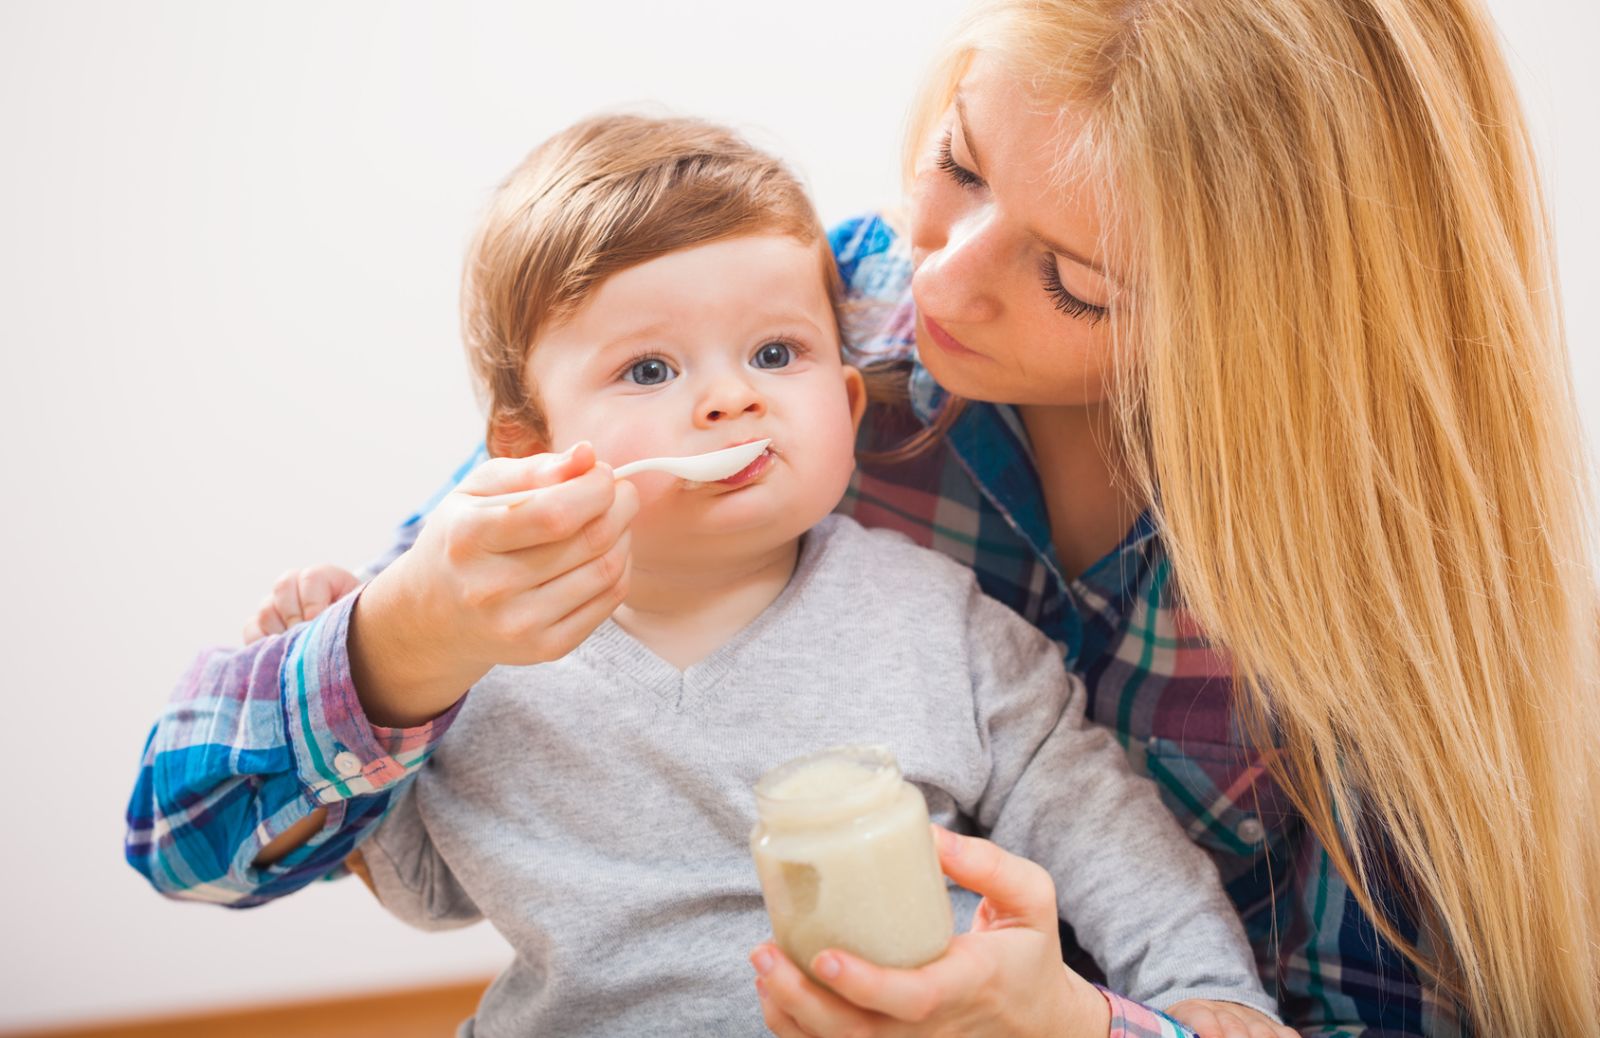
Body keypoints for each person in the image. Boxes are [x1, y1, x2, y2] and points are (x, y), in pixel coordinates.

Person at [206, 0, 1600, 1031]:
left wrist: (1074, 1025)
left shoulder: (1327, 596)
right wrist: (380, 646)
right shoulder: (782, 315)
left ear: (1258, 332)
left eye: (1083, 282)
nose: (941, 277)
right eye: (962, 162)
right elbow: (280, 840)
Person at [126, 113, 1293, 1038]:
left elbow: (1103, 831)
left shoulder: (942, 625)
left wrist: (1207, 1000)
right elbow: (430, 888)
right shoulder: (485, 637)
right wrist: (368, 652)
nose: (730, 397)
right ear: (527, 448)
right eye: (648, 367)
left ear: (846, 404)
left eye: (775, 353)